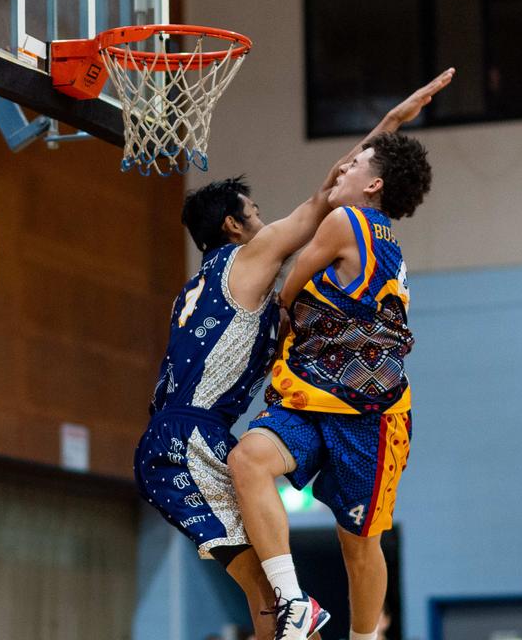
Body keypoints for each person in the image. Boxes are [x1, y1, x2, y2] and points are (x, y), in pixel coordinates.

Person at [133, 70, 454, 640]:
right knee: (269, 576)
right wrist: (389, 126)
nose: (269, 222)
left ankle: (297, 610)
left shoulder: (200, 286)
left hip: (197, 432)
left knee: (274, 604)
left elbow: (348, 186)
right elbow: (329, 191)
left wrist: (389, 132)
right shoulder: (251, 260)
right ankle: (297, 605)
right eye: (256, 214)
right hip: (195, 436)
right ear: (236, 227)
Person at [229, 128, 434, 640]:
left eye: (356, 163)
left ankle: (365, 638)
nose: (343, 169)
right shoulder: (370, 233)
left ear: (375, 184)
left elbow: (291, 282)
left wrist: (281, 306)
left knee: (360, 546)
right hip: (310, 396)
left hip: (371, 414)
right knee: (248, 460)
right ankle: (293, 601)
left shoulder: (349, 221)